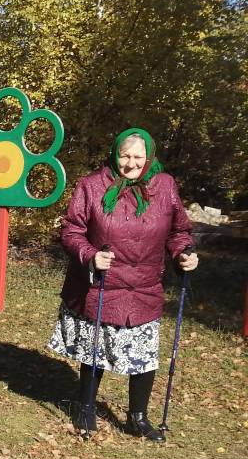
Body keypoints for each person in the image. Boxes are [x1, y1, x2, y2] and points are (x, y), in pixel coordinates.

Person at [48, 128, 197, 441]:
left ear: (150, 157)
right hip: (101, 284)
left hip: (143, 285)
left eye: (138, 157)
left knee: (144, 355)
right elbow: (71, 231)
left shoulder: (165, 185)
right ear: (114, 155)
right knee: (95, 350)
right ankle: (85, 407)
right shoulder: (91, 185)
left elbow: (178, 231)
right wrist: (89, 255)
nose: (131, 163)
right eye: (125, 156)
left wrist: (184, 253)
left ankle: (138, 417)